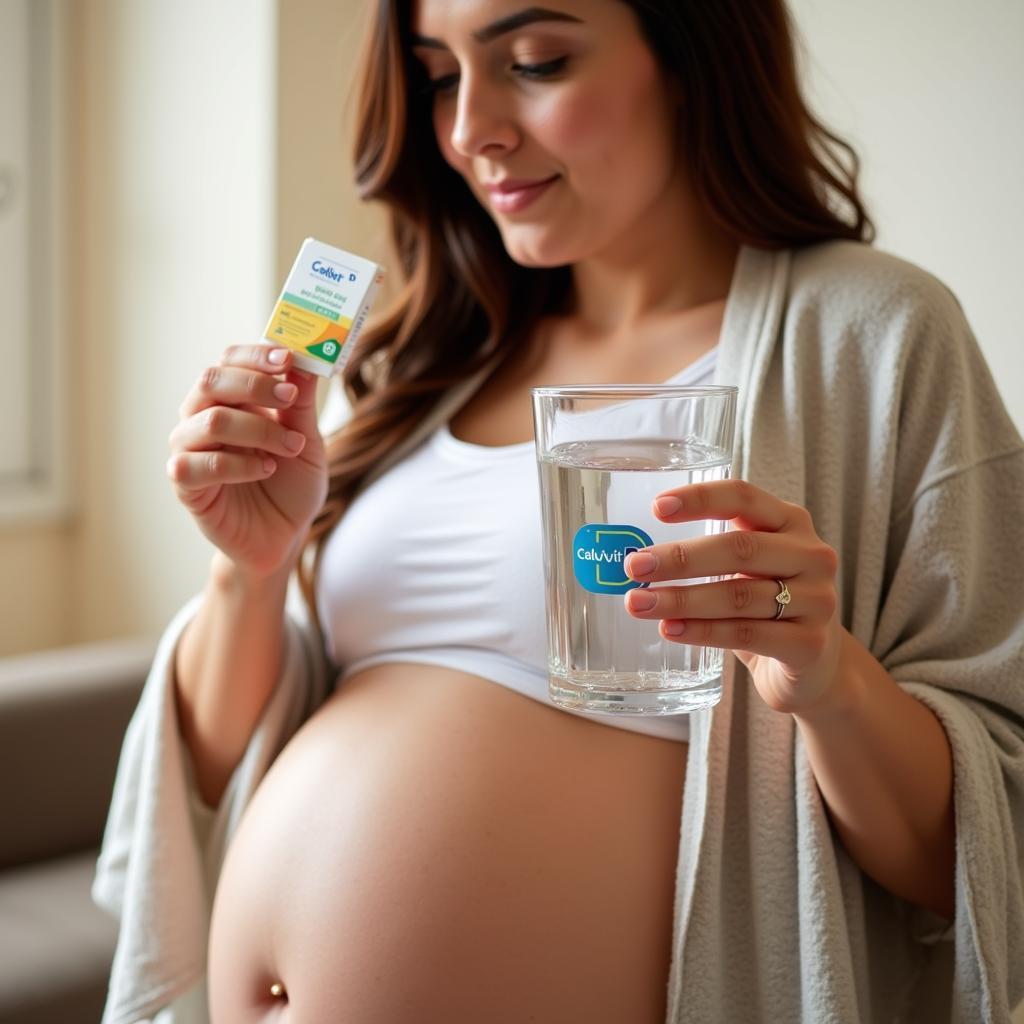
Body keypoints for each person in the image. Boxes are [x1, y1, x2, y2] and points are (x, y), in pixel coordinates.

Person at [92, 0, 1024, 1021]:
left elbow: (977, 852)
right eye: (442, 76)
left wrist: (828, 676)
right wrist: (248, 568)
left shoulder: (870, 335)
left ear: (689, 55)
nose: (467, 129)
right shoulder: (416, 364)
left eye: (534, 61)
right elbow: (218, 778)